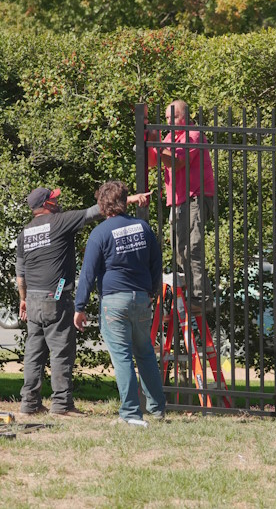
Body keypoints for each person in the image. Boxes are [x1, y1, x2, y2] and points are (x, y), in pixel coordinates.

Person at [15, 185, 150, 416]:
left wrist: (23, 299)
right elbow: (95, 212)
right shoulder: (59, 221)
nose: (58, 202)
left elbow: (20, 272)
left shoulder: (24, 233)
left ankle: (29, 403)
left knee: (34, 353)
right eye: (54, 200)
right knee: (61, 350)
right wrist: (132, 199)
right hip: (55, 294)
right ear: (46, 205)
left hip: (33, 297)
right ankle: (62, 404)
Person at [73, 180, 166, 426]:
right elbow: (156, 263)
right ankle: (157, 410)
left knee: (122, 357)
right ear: (125, 202)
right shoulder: (143, 227)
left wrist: (79, 307)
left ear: (102, 206)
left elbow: (88, 273)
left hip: (114, 300)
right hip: (141, 297)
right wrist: (152, 292)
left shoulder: (100, 233)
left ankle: (131, 414)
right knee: (145, 353)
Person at [147, 100, 215, 312]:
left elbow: (176, 162)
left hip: (195, 197)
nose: (169, 122)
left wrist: (156, 145)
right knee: (179, 250)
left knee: (193, 248)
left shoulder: (193, 135)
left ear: (184, 117)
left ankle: (201, 298)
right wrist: (149, 142)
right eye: (167, 118)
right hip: (178, 200)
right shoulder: (170, 137)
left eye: (173, 117)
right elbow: (153, 161)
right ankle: (193, 293)